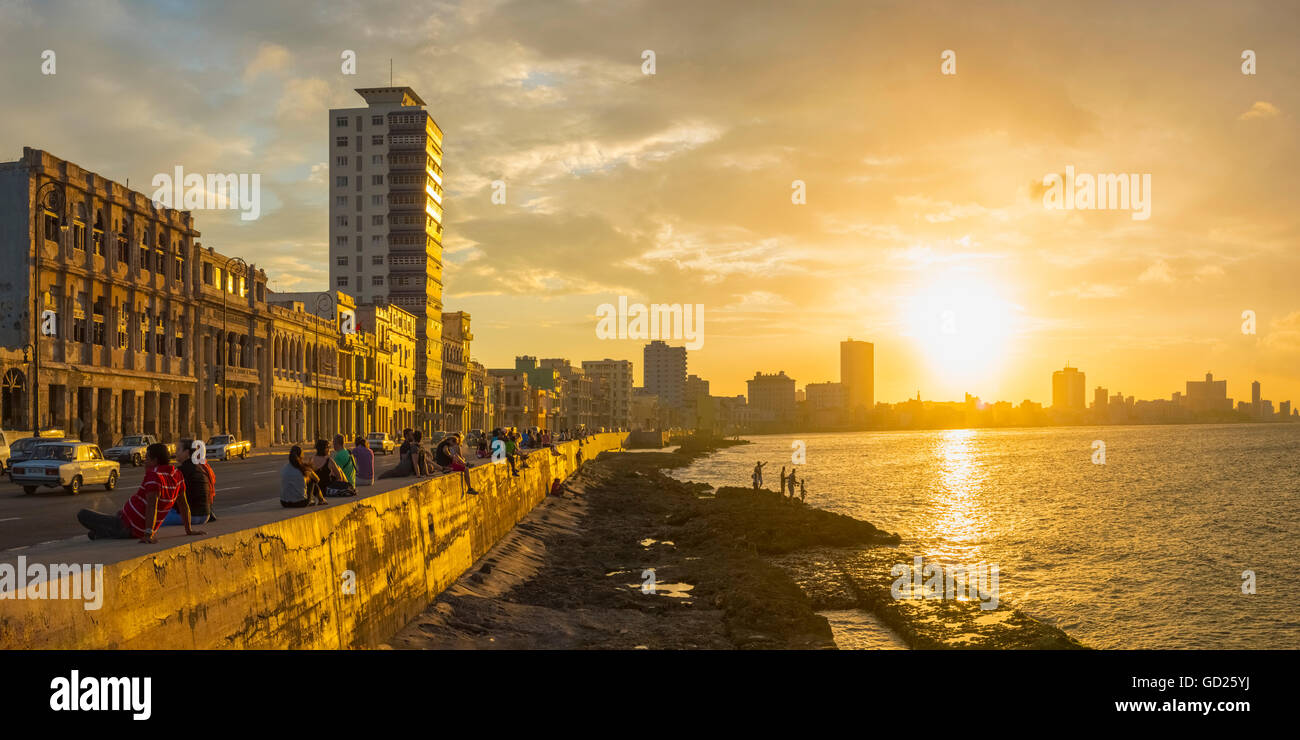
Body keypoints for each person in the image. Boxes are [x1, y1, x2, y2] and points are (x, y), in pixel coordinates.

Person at [77, 443, 201, 542]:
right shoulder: (177, 474)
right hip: (128, 521)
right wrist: (188, 529)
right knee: (98, 529)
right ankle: (102, 533)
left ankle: (105, 533)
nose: (144, 461)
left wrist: (148, 534)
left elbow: (152, 504)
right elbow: (183, 505)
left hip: (129, 527)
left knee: (82, 514)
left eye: (147, 458)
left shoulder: (154, 476)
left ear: (155, 461)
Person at [164, 439, 213, 527]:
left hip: (192, 516)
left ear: (186, 453)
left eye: (178, 449)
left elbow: (174, 498)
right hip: (205, 515)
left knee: (157, 519)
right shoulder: (199, 468)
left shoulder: (182, 471)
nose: (176, 452)